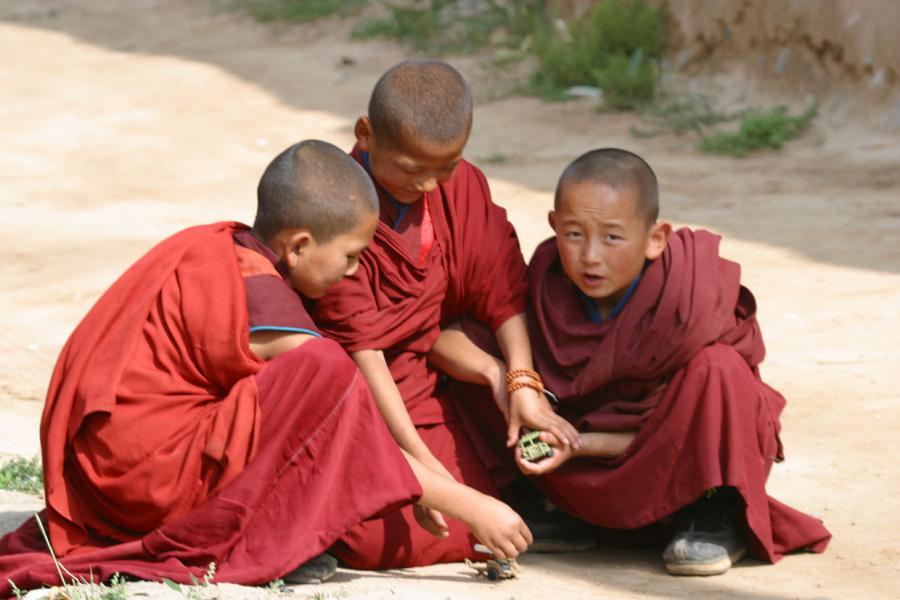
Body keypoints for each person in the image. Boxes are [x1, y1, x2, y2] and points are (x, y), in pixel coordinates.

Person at [0, 140, 530, 596]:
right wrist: (472, 505)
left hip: (105, 471)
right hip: (140, 485)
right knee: (325, 371)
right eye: (349, 257)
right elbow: (354, 428)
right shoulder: (270, 312)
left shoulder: (224, 250)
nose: (352, 272)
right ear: (298, 246)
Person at [312, 59, 579, 569]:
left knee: (530, 340)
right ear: (365, 135)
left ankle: (513, 490)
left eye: (447, 165)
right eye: (413, 169)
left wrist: (518, 379)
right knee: (381, 541)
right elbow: (363, 353)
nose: (432, 184)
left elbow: (500, 290)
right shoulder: (339, 210)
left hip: (438, 365)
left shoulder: (461, 187)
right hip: (372, 391)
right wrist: (426, 472)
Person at [517, 147, 831, 575]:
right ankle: (565, 513)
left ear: (655, 239)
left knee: (718, 369)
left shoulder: (689, 296)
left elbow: (688, 422)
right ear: (553, 228)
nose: (590, 255)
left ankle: (712, 513)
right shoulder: (546, 282)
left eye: (612, 237)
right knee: (492, 351)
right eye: (573, 234)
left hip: (673, 461)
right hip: (577, 456)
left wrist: (575, 444)